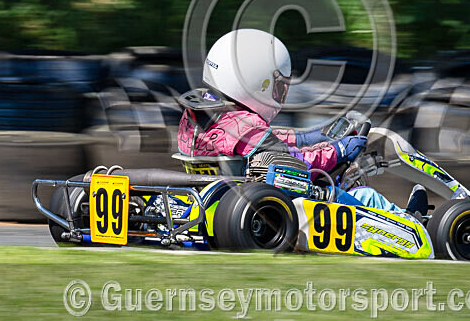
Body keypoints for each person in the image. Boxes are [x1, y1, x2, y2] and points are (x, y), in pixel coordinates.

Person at [177, 28, 427, 217]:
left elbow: (262, 142)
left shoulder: (206, 114)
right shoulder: (243, 124)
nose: (280, 93)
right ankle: (408, 221)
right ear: (254, 79)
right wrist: (339, 150)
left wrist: (311, 137)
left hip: (221, 199)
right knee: (361, 195)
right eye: (278, 85)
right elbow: (296, 163)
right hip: (270, 199)